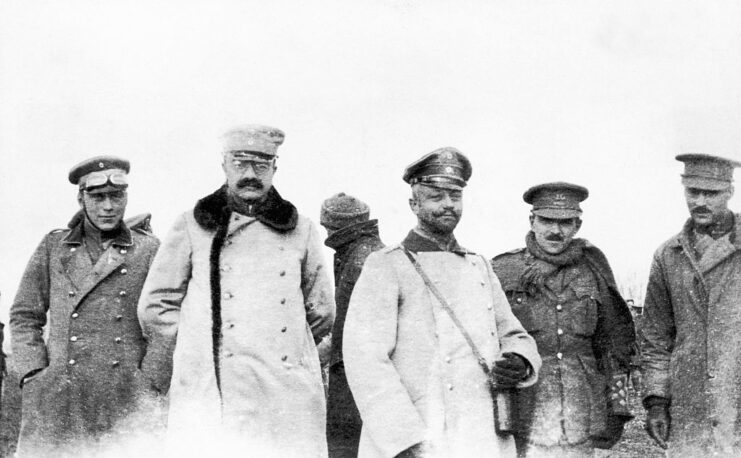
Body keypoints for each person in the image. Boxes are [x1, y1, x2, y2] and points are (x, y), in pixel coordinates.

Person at [138, 124, 335, 457]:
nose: (250, 174)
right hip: (212, 385)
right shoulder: (192, 224)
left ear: (275, 167)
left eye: (260, 165)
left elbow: (322, 310)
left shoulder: (302, 229)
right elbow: (156, 306)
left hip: (285, 389)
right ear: (224, 165)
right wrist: (198, 345)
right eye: (240, 163)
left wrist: (285, 348)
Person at [343, 147, 541, 458]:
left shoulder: (479, 266)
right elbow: (365, 360)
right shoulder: (386, 265)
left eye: (455, 195)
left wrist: (518, 360)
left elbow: (514, 335)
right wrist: (405, 440)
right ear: (414, 203)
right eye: (436, 196)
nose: (448, 204)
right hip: (419, 435)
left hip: (481, 435)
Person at [9, 156, 160, 456]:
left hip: (125, 395)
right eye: (97, 197)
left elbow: (164, 320)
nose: (108, 207)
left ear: (126, 197)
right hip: (58, 395)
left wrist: (151, 378)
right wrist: (33, 373)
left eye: (116, 196)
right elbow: (25, 314)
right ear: (81, 198)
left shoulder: (148, 249)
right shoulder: (54, 246)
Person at [490, 182, 635, 458]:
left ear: (577, 225)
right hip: (522, 410)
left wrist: (617, 404)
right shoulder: (503, 269)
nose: (555, 231)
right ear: (532, 220)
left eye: (565, 222)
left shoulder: (593, 270)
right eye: (546, 221)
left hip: (577, 412)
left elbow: (612, 341)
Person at [642, 154, 741, 456]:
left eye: (711, 193)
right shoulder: (668, 255)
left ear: (730, 191)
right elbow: (656, 338)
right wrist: (657, 401)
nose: (700, 201)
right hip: (689, 403)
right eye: (692, 192)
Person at [320, 192, 385, 458]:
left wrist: (316, 357)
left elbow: (344, 325)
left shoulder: (361, 259)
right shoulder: (373, 252)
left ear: (336, 228)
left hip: (353, 374)